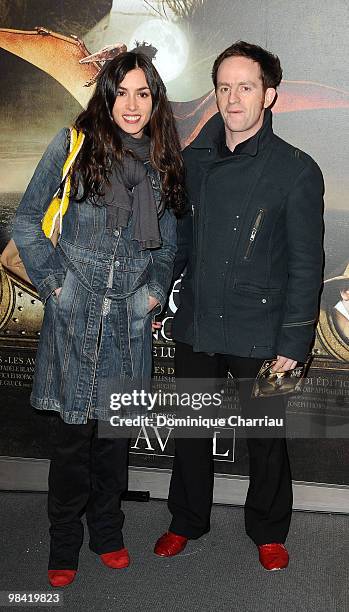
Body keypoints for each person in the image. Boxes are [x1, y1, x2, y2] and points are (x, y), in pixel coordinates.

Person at [12, 49, 184, 587]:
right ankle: (64, 544)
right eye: (122, 92)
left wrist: (151, 296)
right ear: (105, 94)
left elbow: (168, 248)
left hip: (128, 327)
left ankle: (107, 533)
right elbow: (25, 220)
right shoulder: (72, 146)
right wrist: (55, 285)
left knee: (112, 443)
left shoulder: (162, 160)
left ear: (154, 100)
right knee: (70, 444)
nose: (131, 105)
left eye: (143, 93)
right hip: (72, 318)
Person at [154, 41, 324, 570]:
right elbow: (179, 239)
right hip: (200, 322)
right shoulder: (194, 160)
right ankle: (185, 520)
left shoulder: (297, 170)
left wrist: (293, 343)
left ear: (269, 96)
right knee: (189, 433)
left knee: (267, 439)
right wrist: (159, 291)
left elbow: (306, 266)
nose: (232, 98)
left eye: (245, 87)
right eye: (224, 87)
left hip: (267, 333)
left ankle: (269, 531)